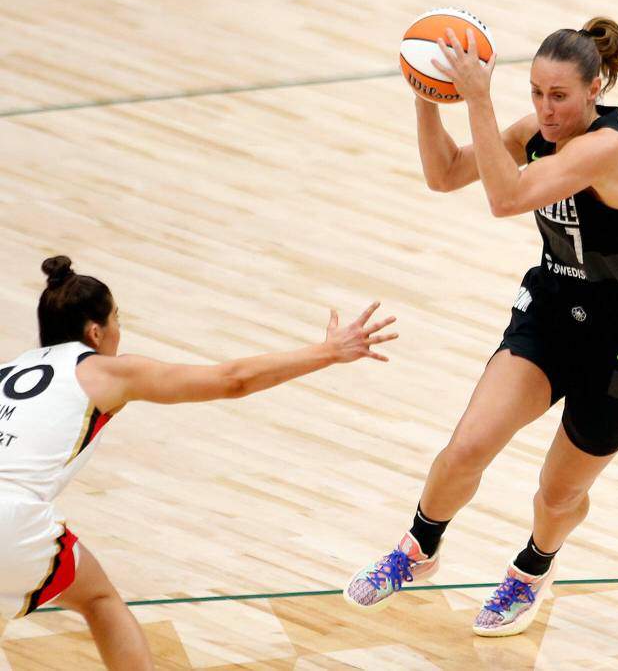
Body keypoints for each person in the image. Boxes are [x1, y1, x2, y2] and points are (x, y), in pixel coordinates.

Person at [345, 16, 618, 637]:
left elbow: (504, 198)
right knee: (468, 444)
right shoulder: (537, 130)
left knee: (555, 495)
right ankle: (418, 550)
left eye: (560, 96)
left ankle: (532, 569)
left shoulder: (606, 148)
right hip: (552, 311)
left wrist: (480, 99)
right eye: (537, 94)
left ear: (595, 88)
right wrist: (429, 98)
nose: (546, 110)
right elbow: (446, 175)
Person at [0, 256, 397, 670]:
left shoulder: (5, 370)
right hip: (13, 519)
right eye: (118, 318)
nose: (120, 330)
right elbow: (232, 379)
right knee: (99, 599)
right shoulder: (105, 371)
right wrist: (327, 352)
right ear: (96, 332)